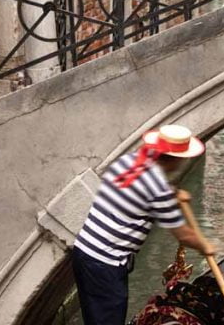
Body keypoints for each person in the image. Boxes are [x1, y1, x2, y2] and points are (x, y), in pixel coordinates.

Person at [72, 124, 215, 325]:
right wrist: (206, 246)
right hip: (106, 263)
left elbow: (137, 195)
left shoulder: (128, 162)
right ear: (178, 160)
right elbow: (184, 235)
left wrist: (172, 194)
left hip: (83, 252)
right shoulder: (158, 190)